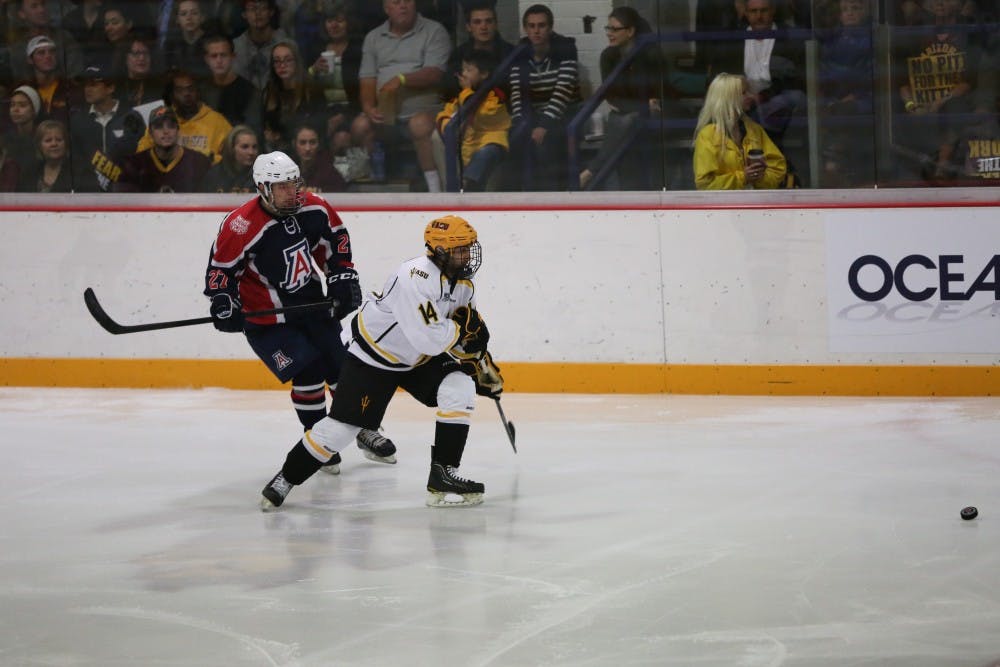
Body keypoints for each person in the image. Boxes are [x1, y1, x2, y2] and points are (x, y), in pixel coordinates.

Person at [258, 214, 503, 511]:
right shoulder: (415, 278)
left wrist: (481, 363)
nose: (466, 255)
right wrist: (460, 332)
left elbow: (466, 327)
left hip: (416, 358)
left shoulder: (464, 282)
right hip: (373, 357)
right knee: (342, 430)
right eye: (459, 249)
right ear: (438, 250)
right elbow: (431, 339)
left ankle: (443, 475)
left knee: (460, 386)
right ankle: (286, 477)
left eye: (468, 247)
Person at [204, 150, 396, 478]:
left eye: (294, 184)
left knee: (344, 369)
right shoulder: (240, 224)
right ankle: (319, 443)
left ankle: (364, 428)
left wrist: (341, 277)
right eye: (282, 187)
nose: (291, 192)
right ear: (263, 188)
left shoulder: (314, 206)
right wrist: (224, 301)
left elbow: (337, 242)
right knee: (307, 374)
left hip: (312, 307)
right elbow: (222, 270)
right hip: (269, 321)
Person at [352, 0, 451, 192]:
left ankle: (435, 190)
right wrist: (368, 108)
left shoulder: (434, 31)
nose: (403, 6)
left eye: (407, 1)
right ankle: (371, 184)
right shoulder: (373, 37)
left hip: (424, 113)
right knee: (360, 126)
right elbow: (367, 79)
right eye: (396, 2)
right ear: (386, 8)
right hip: (386, 116)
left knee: (419, 124)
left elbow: (434, 73)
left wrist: (401, 80)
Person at [579, 7, 664, 191]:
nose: (609, 33)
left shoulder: (649, 54)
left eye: (615, 29)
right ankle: (629, 193)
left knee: (624, 120)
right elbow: (613, 99)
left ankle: (591, 172)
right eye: (607, 28)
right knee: (624, 124)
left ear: (631, 31)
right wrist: (641, 105)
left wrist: (637, 105)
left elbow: (656, 98)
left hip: (655, 117)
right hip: (629, 116)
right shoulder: (608, 56)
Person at [703, 0, 807, 146]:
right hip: (740, 101)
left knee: (793, 97)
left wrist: (761, 96)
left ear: (773, 11)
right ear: (745, 12)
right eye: (753, 11)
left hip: (774, 100)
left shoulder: (790, 40)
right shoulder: (732, 41)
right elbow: (719, 78)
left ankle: (750, 131)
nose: (759, 16)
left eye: (764, 11)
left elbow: (796, 80)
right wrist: (739, 97)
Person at [507, 4, 581, 191]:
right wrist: (521, 123)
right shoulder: (520, 51)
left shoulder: (565, 47)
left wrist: (544, 124)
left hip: (564, 114)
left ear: (550, 27)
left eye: (541, 25)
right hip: (533, 114)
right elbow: (517, 92)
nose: (536, 31)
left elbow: (562, 92)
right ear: (526, 29)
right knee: (515, 137)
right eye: (531, 26)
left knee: (546, 142)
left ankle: (552, 196)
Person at [693, 71, 788, 189]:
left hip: (755, 203)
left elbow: (778, 168)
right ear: (728, 98)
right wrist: (744, 177)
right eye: (744, 93)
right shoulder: (707, 135)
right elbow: (705, 183)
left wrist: (758, 179)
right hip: (724, 206)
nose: (751, 96)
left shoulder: (754, 129)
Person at [817, 0, 875, 186]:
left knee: (844, 112)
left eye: (855, 8)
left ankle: (834, 164)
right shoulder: (832, 40)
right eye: (845, 10)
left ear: (865, 11)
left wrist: (854, 96)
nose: (850, 13)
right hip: (834, 98)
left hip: (864, 98)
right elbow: (824, 72)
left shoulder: (873, 37)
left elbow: (870, 75)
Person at [435, 50, 509, 191]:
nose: (464, 74)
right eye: (463, 69)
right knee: (437, 137)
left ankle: (469, 188)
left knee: (485, 154)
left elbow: (484, 117)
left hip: (491, 142)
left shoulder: (496, 94)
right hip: (466, 145)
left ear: (484, 74)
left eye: (469, 70)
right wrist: (448, 128)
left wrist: (467, 92)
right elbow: (445, 114)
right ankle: (455, 189)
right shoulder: (461, 95)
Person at [303, 0, 363, 155]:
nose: (334, 26)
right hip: (323, 110)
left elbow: (364, 90)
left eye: (339, 21)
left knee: (341, 137)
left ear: (349, 23)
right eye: (330, 21)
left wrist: (342, 117)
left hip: (353, 109)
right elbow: (303, 83)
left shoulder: (359, 49)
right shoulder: (315, 49)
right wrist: (313, 70)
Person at [135, 68, 233, 163]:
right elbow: (141, 157)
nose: (186, 94)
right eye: (180, 90)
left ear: (198, 91)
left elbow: (234, 160)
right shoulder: (161, 120)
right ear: (172, 95)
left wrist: (206, 160)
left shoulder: (217, 122)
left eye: (190, 89)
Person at [68, 62, 139, 191]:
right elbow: (76, 162)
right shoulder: (77, 121)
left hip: (125, 192)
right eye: (86, 85)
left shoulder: (131, 117)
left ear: (110, 88)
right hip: (89, 194)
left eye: (93, 84)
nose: (87, 89)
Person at [115, 105, 212, 191]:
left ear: (178, 131)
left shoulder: (199, 162)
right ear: (150, 133)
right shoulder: (134, 165)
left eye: (171, 126)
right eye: (159, 126)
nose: (166, 131)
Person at [441, 2, 515, 102]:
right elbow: (448, 90)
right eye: (477, 22)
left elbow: (516, 89)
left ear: (496, 25)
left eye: (488, 21)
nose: (483, 27)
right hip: (465, 112)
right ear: (468, 27)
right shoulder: (458, 54)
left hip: (503, 111)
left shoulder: (512, 53)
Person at [261, 39, 325, 152]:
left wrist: (280, 136)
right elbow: (265, 125)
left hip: (305, 148)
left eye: (288, 60)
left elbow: (319, 126)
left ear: (297, 62)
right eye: (277, 61)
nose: (282, 65)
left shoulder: (311, 89)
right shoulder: (269, 90)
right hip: (276, 150)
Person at [17, 119, 98, 191]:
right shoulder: (29, 172)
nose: (54, 144)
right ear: (39, 146)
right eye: (48, 140)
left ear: (66, 143)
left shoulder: (82, 172)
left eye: (59, 140)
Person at [201, 34, 261, 130]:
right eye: (214, 56)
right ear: (206, 59)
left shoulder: (249, 92)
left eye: (223, 55)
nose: (219, 60)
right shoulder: (201, 90)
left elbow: (252, 131)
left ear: (233, 57)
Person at [233, 0, 289, 90]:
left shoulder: (286, 44)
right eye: (252, 9)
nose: (257, 13)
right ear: (244, 14)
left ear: (271, 12)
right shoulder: (236, 46)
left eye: (262, 8)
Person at [203, 123, 259, 191]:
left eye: (254, 147)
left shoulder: (263, 176)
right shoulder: (214, 175)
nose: (251, 152)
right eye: (245, 147)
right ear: (231, 148)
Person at [290, 122, 346, 190]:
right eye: (302, 143)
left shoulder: (330, 173)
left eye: (312, 142)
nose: (308, 148)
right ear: (294, 144)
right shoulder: (286, 170)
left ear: (319, 144)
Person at [162, 0, 210, 78]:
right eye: (183, 14)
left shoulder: (211, 42)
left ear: (202, 17)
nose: (189, 18)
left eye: (194, 13)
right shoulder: (171, 42)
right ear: (177, 19)